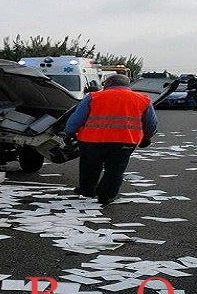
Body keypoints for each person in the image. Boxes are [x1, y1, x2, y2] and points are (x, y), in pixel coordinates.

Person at [64, 74, 158, 205]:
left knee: (89, 166)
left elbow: (76, 119)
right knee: (115, 169)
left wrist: (69, 132)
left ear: (109, 82)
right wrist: (147, 136)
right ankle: (106, 195)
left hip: (92, 140)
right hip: (125, 141)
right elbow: (151, 124)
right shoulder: (143, 99)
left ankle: (87, 190)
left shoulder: (93, 97)